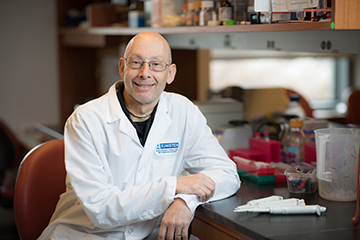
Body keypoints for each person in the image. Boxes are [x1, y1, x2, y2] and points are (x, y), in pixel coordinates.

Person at [39, 31, 240, 240]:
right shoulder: (85, 120)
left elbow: (227, 174)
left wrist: (186, 201)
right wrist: (174, 186)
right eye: (136, 62)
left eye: (156, 64)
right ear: (122, 67)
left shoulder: (183, 111)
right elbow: (101, 209)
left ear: (170, 73)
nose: (145, 73)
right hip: (87, 234)